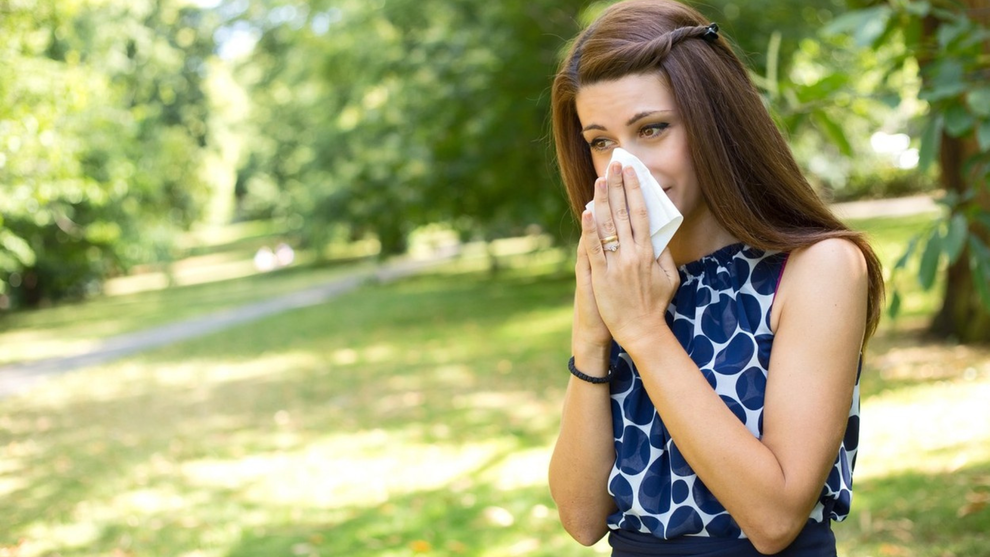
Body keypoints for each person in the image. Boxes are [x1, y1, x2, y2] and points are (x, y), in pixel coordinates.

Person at [546, 1, 885, 556]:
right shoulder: (631, 277)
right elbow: (582, 520)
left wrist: (644, 332)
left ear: (714, 124)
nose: (626, 168)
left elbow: (774, 519)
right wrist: (591, 336)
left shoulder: (816, 268)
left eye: (652, 129)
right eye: (602, 141)